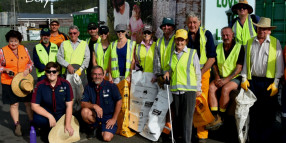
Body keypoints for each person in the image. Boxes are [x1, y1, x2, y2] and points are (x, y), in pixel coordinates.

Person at [241, 17, 284, 142]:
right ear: (256, 28)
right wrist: (244, 78)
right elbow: (246, 62)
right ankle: (254, 139)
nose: (262, 31)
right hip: (252, 81)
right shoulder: (249, 42)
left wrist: (276, 83)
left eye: (265, 29)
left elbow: (279, 65)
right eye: (260, 28)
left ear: (269, 31)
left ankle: (265, 139)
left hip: (268, 83)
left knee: (268, 113)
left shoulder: (276, 43)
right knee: (254, 112)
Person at [164, 29, 201, 143]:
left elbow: (197, 71)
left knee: (187, 119)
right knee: (179, 117)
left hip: (189, 91)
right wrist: (167, 72)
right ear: (175, 40)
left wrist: (198, 88)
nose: (179, 43)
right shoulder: (172, 55)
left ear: (186, 41)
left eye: (182, 40)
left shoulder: (192, 53)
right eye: (178, 40)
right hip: (176, 91)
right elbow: (170, 69)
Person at [186, 11, 216, 142]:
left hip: (203, 72)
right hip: (188, 74)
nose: (192, 25)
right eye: (190, 22)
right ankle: (189, 132)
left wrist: (201, 72)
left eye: (194, 22)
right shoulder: (184, 36)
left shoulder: (206, 34)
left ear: (199, 23)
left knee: (201, 102)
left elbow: (212, 58)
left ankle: (202, 135)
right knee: (189, 103)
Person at [206, 27, 244, 130]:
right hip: (220, 77)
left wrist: (226, 80)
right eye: (223, 35)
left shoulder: (240, 48)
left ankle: (222, 116)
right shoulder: (217, 47)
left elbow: (239, 68)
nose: (225, 37)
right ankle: (215, 116)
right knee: (211, 88)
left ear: (232, 35)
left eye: (227, 35)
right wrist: (217, 77)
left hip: (234, 77)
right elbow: (214, 64)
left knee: (225, 89)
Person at [0, 30, 34, 136]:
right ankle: (17, 125)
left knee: (28, 103)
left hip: (23, 82)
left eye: (16, 41)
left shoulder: (24, 49)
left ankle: (32, 123)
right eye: (11, 41)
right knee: (14, 104)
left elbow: (30, 62)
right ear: (8, 41)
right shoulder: (2, 51)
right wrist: (5, 70)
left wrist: (28, 69)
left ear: (19, 41)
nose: (13, 43)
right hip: (9, 82)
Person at [31, 62, 74, 139]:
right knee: (37, 119)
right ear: (45, 72)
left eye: (54, 71)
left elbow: (69, 105)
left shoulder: (66, 84)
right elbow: (34, 106)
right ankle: (46, 129)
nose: (51, 73)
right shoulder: (39, 85)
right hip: (47, 113)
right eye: (48, 71)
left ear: (58, 72)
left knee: (66, 129)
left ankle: (56, 128)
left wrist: (67, 124)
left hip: (61, 114)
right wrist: (49, 116)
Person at [81, 66, 122, 141]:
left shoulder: (111, 86)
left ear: (103, 75)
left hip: (108, 117)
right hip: (96, 115)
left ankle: (102, 128)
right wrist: (94, 106)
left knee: (106, 138)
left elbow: (119, 101)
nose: (97, 77)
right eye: (95, 74)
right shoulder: (88, 86)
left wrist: (114, 119)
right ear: (91, 75)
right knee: (84, 112)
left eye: (99, 74)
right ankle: (94, 127)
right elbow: (83, 103)